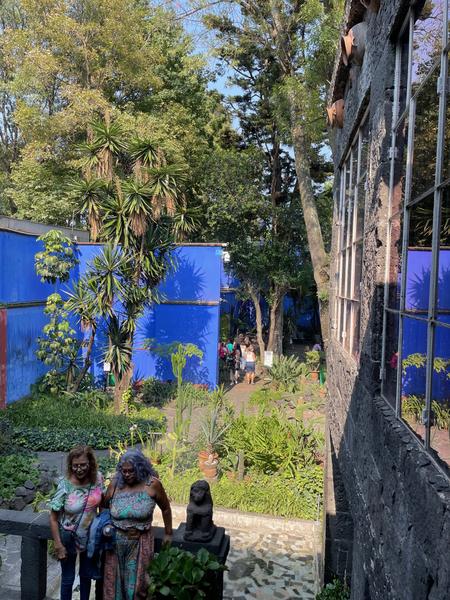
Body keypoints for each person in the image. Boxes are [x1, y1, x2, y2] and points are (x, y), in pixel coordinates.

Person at [103, 449, 172, 599]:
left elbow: (166, 509)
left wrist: (168, 533)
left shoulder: (152, 484)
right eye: (124, 471)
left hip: (141, 542)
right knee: (114, 587)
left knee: (138, 588)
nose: (127, 474)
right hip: (115, 543)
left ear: (140, 468)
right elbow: (104, 506)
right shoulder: (115, 484)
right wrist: (105, 526)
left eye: (131, 471)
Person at [49, 445, 104, 600]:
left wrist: (102, 527)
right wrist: (58, 545)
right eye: (75, 466)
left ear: (90, 463)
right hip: (69, 537)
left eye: (83, 465)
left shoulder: (98, 478)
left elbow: (102, 505)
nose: (79, 469)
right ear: (70, 465)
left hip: (91, 536)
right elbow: (53, 518)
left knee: (86, 576)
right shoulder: (65, 484)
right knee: (68, 578)